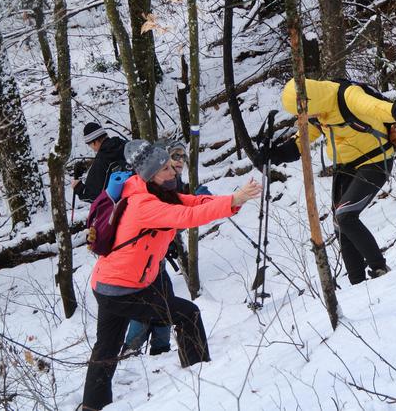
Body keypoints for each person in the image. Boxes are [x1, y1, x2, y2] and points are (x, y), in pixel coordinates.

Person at [81, 140, 262, 410]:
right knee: (187, 314)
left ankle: (92, 406)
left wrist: (232, 200)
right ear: (151, 175)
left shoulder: (152, 191)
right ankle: (201, 380)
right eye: (166, 168)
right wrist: (234, 201)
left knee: (106, 350)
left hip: (110, 283)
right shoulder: (145, 205)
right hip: (122, 288)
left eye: (171, 166)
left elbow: (193, 201)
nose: (173, 171)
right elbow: (188, 216)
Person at [253, 79, 396, 285]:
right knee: (339, 224)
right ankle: (357, 282)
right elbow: (302, 141)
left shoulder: (347, 96)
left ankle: (379, 268)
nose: (304, 117)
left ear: (310, 101)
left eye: (304, 112)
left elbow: (375, 107)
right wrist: (275, 154)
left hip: (376, 161)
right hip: (346, 166)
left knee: (345, 215)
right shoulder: (316, 114)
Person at [121, 138, 189, 357]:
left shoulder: (171, 182)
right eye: (175, 156)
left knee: (163, 298)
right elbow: (167, 218)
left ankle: (158, 348)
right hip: (141, 260)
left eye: (183, 156)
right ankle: (133, 350)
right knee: (152, 302)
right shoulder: (156, 186)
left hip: (154, 257)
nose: (180, 161)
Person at [72, 122, 127, 203]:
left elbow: (94, 197)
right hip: (141, 196)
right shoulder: (125, 145)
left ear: (94, 142)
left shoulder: (101, 160)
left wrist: (78, 187)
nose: (92, 149)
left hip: (120, 207)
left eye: (89, 145)